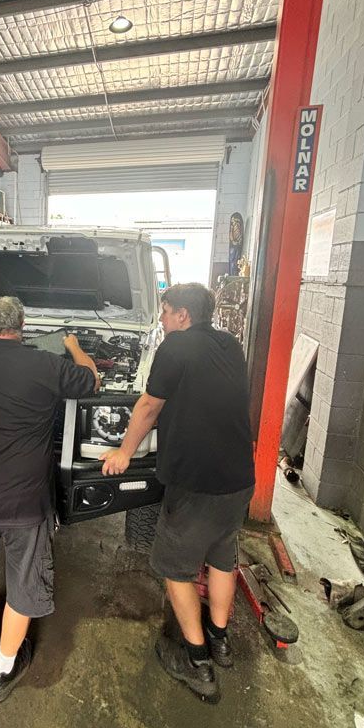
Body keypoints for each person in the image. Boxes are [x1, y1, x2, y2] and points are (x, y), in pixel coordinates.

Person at [100, 283, 254, 704]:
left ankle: (197, 659)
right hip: (239, 478)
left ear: (183, 315)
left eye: (166, 311)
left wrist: (123, 453)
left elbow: (148, 407)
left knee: (175, 569)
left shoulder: (175, 348)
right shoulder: (230, 345)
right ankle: (220, 641)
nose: (163, 319)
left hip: (196, 485)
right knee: (223, 556)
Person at [0, 296, 99, 703]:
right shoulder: (45, 366)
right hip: (25, 503)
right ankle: (3, 671)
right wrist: (74, 346)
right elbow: (91, 381)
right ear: (22, 326)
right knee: (25, 582)